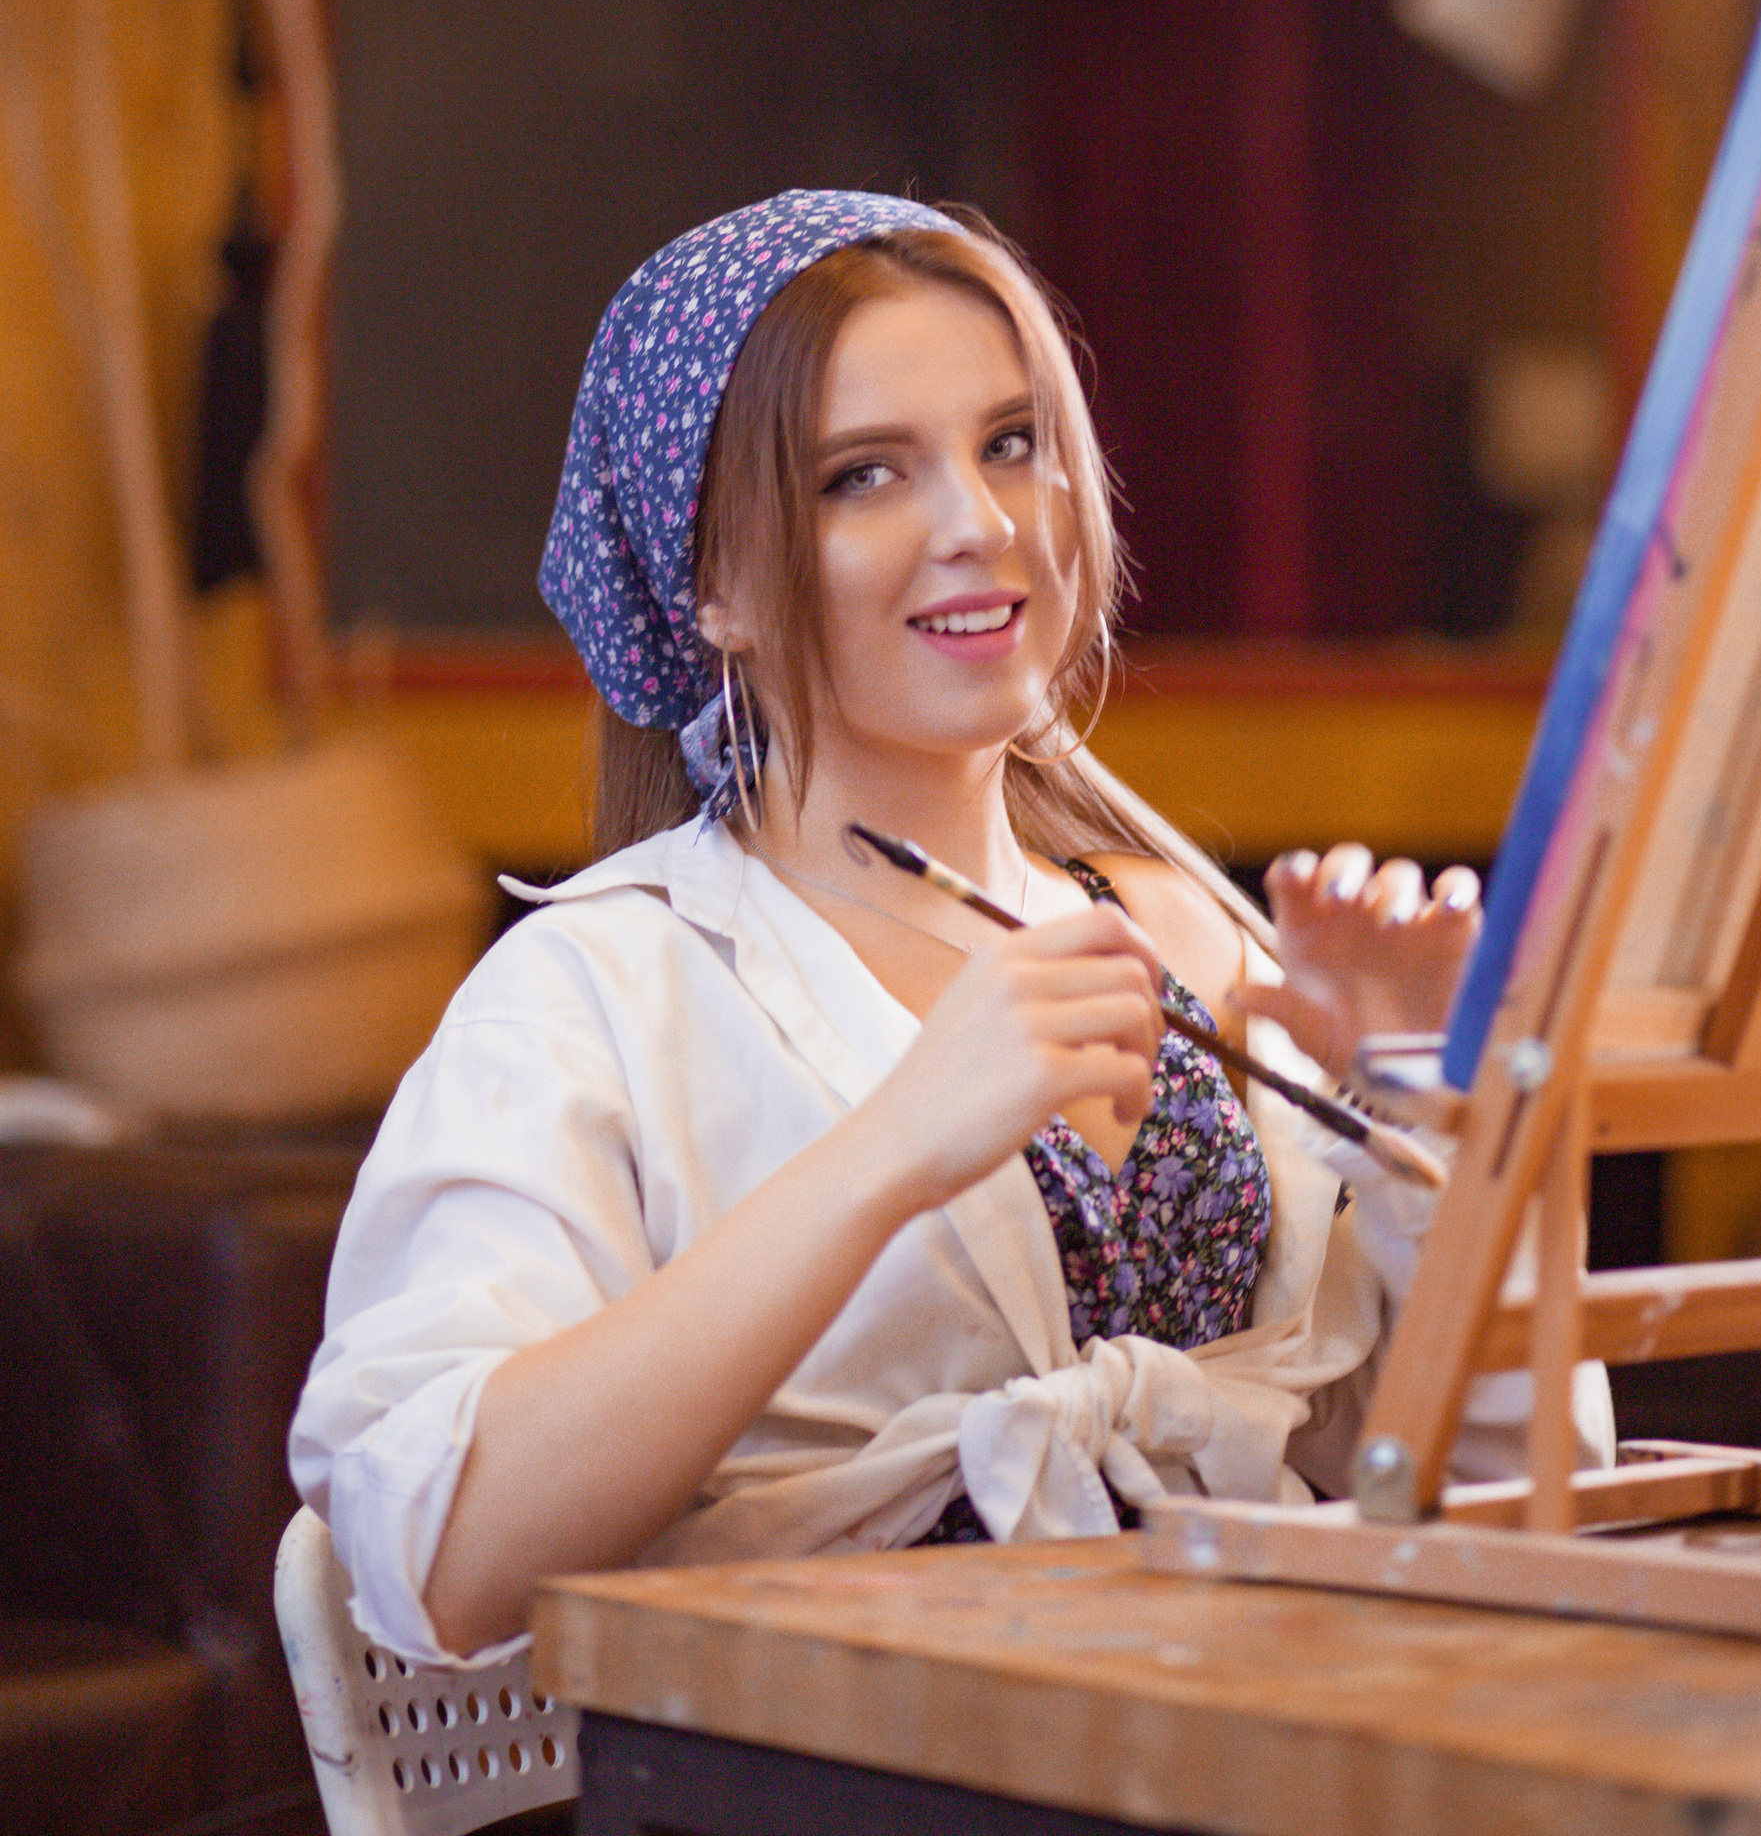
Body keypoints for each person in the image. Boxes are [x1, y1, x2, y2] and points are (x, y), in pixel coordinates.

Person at [291, 189, 1609, 1662]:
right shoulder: (593, 991)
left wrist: (1428, 1114)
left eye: (1012, 444)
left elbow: (1490, 1488)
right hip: (840, 1752)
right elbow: (439, 1562)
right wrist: (894, 1147)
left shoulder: (1190, 938)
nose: (982, 526)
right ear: (709, 583)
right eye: (863, 476)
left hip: (1246, 1721)